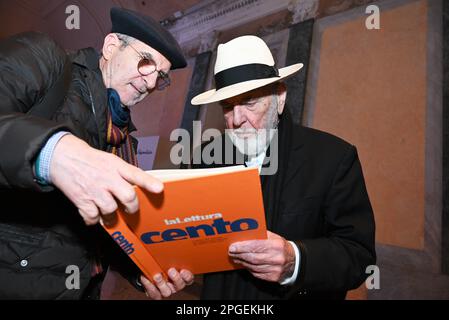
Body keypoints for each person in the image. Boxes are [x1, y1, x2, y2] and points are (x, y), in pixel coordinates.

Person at [0, 7, 193, 299]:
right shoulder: (45, 58)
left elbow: (104, 230)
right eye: (146, 63)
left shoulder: (124, 139)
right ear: (111, 46)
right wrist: (51, 152)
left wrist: (142, 271)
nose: (151, 83)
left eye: (161, 77)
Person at [190, 35, 376, 299]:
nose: (237, 119)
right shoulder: (205, 158)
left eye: (250, 102)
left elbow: (359, 258)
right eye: (228, 107)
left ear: (279, 97)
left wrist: (295, 259)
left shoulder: (333, 158)